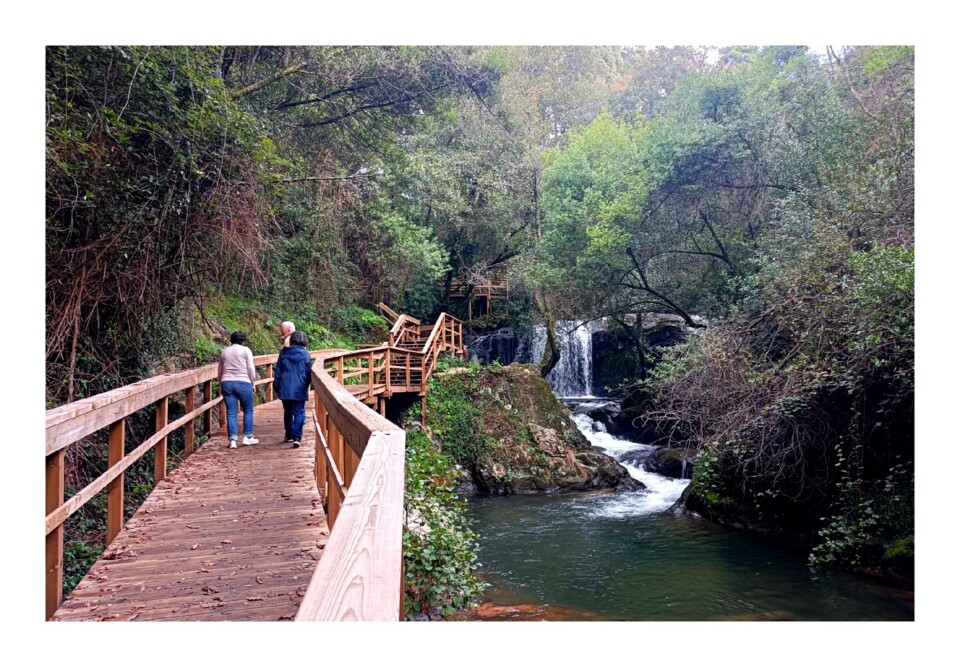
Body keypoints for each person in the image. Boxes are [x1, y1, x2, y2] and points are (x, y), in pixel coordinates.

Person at [217, 331, 259, 449]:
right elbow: (250, 368)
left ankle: (233, 441)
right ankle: (247, 437)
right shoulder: (246, 350)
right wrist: (253, 382)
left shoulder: (224, 351)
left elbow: (220, 370)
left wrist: (221, 383)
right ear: (243, 341)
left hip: (227, 383)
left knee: (231, 412)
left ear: (231, 340)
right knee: (248, 409)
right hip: (243, 382)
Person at [274, 330, 312, 448]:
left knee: (288, 411)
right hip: (300, 385)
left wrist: (276, 386)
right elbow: (308, 372)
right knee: (299, 411)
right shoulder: (306, 354)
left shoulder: (283, 353)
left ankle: (289, 435)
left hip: (285, 384)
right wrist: (308, 384)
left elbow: (278, 371)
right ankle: (297, 437)